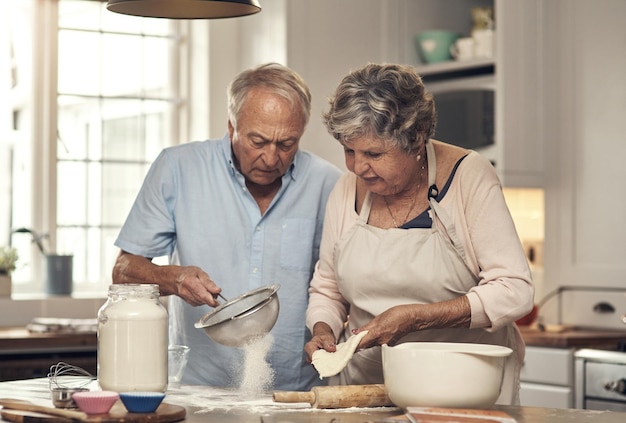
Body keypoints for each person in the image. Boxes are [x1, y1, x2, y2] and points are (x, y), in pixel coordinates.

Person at [304, 63, 534, 404]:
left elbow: (515, 290)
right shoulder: (347, 189)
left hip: (464, 390)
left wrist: (417, 318)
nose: (357, 166)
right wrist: (323, 329)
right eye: (349, 151)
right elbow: (327, 289)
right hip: (370, 389)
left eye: (374, 154)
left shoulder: (468, 177)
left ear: (416, 139)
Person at [112, 63, 342, 391]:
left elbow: (335, 287)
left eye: (287, 144)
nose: (271, 157)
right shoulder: (178, 168)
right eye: (258, 141)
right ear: (231, 125)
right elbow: (123, 271)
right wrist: (174, 278)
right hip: (198, 389)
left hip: (297, 392)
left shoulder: (329, 183)